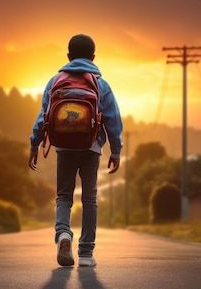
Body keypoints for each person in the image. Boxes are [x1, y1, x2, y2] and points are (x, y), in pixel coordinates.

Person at [28, 34, 123, 267]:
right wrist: (116, 150)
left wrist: (34, 144)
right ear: (93, 57)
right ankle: (87, 253)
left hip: (64, 146)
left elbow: (43, 117)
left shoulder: (55, 81)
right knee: (90, 198)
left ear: (68, 56)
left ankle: (63, 234)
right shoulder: (101, 84)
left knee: (64, 196)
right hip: (92, 147)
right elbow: (113, 120)